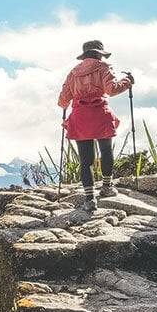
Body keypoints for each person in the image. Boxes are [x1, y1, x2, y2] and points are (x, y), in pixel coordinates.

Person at [57, 40, 134, 211]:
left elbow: (63, 100)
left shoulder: (73, 73)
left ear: (84, 56)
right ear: (99, 54)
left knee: (86, 160)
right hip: (100, 114)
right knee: (106, 150)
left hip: (80, 117)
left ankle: (89, 199)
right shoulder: (103, 67)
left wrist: (66, 103)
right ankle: (107, 187)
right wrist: (127, 81)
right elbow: (112, 89)